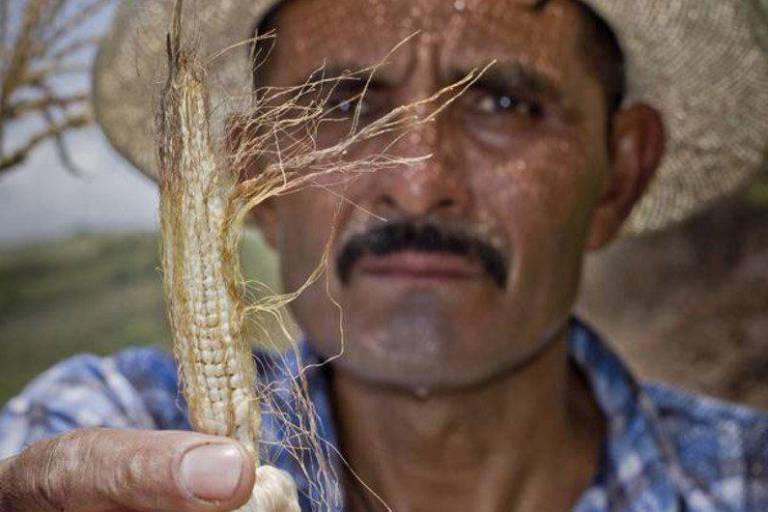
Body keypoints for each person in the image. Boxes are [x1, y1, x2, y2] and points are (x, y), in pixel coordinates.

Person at [2, 0, 768, 511]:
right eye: (343, 103)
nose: (417, 181)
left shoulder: (744, 481)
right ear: (257, 182)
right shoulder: (128, 423)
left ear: (619, 176)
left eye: (505, 103)